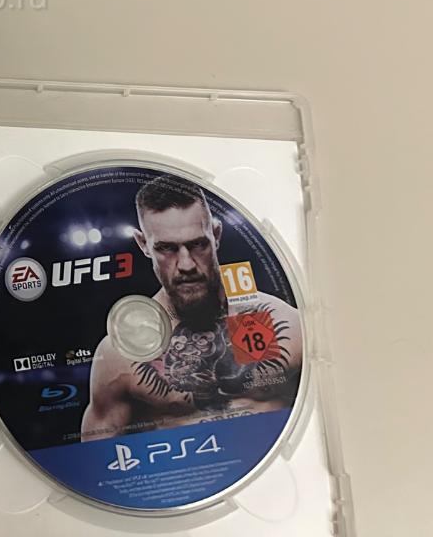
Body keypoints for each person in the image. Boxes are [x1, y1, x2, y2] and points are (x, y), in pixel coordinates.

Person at [80, 174, 302, 442]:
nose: (186, 264)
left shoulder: (279, 323)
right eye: (167, 248)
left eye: (197, 244)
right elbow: (98, 456)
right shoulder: (120, 355)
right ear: (143, 244)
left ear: (216, 235)